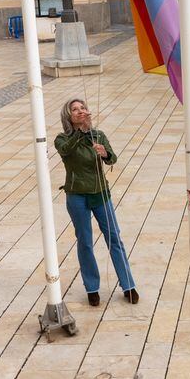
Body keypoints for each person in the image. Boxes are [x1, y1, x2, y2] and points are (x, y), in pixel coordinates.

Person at [54, 98, 138, 306]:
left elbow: (112, 159)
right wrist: (80, 132)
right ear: (69, 116)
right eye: (75, 109)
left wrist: (105, 153)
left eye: (83, 108)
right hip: (77, 195)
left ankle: (128, 285)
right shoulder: (62, 138)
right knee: (85, 241)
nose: (80, 111)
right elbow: (66, 151)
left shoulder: (98, 135)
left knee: (114, 238)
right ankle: (92, 288)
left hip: (100, 193)